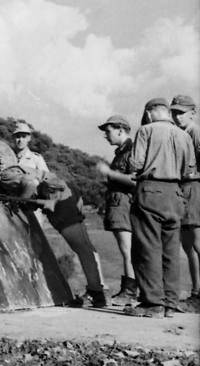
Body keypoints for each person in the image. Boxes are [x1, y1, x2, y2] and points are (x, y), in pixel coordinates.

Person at [10, 121, 108, 308]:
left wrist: (21, 200)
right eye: (16, 135)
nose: (19, 139)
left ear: (29, 137)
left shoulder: (35, 159)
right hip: (52, 204)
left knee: (83, 248)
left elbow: (37, 185)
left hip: (59, 203)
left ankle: (97, 293)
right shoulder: (10, 159)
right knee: (82, 248)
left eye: (23, 135)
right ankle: (94, 292)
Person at [126, 97, 196, 318]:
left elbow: (135, 164)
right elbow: (189, 170)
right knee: (170, 251)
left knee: (147, 248)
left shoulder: (145, 130)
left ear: (148, 113)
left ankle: (152, 303)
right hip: (176, 193)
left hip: (150, 191)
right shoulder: (184, 135)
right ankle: (170, 303)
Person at [96, 115, 138, 306]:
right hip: (118, 204)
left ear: (120, 130)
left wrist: (109, 173)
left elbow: (133, 179)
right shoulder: (121, 152)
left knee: (127, 250)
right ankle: (130, 290)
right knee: (127, 250)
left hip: (123, 205)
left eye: (108, 131)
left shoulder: (131, 150)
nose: (106, 135)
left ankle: (129, 292)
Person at [170, 94, 200, 301]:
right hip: (183, 189)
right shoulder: (182, 133)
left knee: (197, 242)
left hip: (193, 188)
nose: (177, 117)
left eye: (181, 113)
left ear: (193, 113)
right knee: (189, 245)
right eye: (174, 112)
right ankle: (196, 292)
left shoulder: (195, 133)